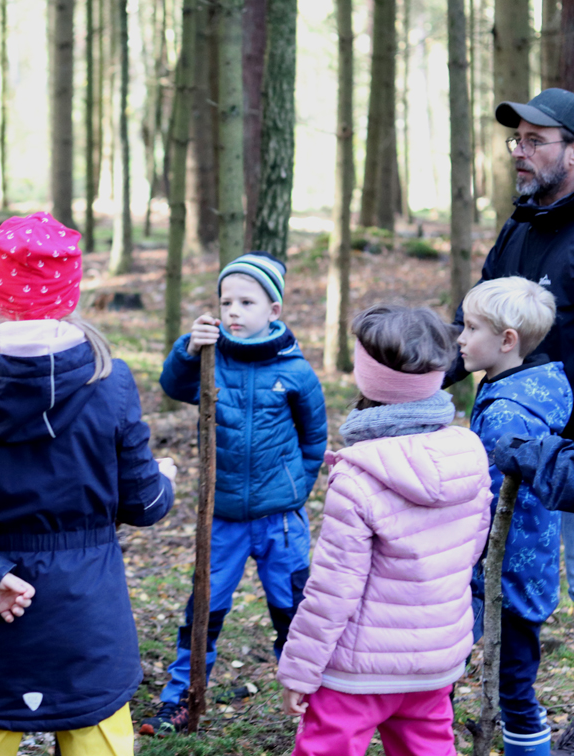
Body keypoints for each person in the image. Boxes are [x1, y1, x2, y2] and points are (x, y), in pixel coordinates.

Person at [0, 212, 177, 756]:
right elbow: (143, 503)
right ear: (70, 290)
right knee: (98, 739)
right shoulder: (107, 381)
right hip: (85, 617)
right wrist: (166, 481)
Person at [277, 304, 492, 756]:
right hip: (436, 662)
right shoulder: (469, 454)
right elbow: (471, 549)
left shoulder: (356, 476)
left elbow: (333, 589)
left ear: (368, 377)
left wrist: (299, 671)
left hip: (358, 671)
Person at [140, 252, 327, 736]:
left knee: (293, 608)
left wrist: (293, 490)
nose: (234, 312)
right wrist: (188, 348)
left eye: (247, 302)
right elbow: (172, 386)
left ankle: (312, 698)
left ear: (274, 310)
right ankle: (182, 696)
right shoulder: (210, 357)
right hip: (220, 517)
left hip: (280, 520)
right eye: (227, 302)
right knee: (204, 606)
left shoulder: (295, 371)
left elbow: (315, 439)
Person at [444, 87, 574, 617]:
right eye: (516, 140)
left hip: (569, 451)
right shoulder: (519, 225)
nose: (519, 151)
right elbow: (473, 319)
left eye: (535, 141)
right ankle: (515, 697)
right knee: (512, 587)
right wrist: (413, 378)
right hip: (516, 444)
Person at [458, 277, 571, 754]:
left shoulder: (508, 411)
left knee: (513, 691)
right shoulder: (534, 384)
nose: (460, 339)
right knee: (514, 685)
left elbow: (486, 496)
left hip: (504, 572)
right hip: (528, 568)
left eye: (471, 328)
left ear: (507, 341)